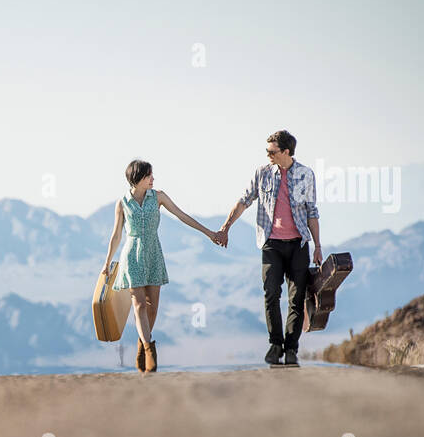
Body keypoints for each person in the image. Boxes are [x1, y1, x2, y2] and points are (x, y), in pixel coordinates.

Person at [101, 159, 227, 373]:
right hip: (132, 255)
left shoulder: (158, 196)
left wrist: (209, 233)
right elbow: (116, 235)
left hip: (153, 253)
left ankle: (142, 344)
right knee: (139, 304)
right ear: (137, 178)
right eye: (149, 175)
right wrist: (106, 263)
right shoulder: (122, 203)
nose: (153, 178)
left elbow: (182, 216)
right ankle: (150, 349)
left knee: (152, 308)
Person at [217, 130, 323, 367]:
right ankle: (275, 344)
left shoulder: (305, 174)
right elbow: (244, 200)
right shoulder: (262, 173)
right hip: (271, 244)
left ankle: (292, 349)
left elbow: (312, 211)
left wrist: (317, 246)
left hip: (298, 244)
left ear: (286, 152)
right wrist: (226, 227)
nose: (268, 155)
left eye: (272, 151)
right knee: (271, 293)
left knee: (296, 300)